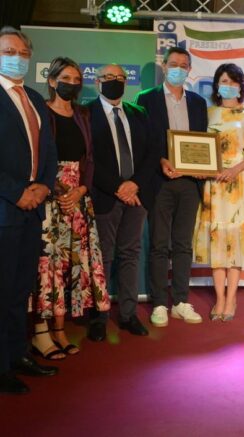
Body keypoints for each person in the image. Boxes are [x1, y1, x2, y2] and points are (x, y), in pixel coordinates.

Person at [31, 57, 111, 359]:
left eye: (77, 80)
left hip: (77, 201)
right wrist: (54, 187)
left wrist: (80, 190)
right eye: (66, 78)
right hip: (48, 199)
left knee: (69, 267)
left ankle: (60, 330)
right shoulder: (40, 113)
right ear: (52, 81)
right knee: (47, 266)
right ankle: (41, 332)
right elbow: (36, 156)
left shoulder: (82, 115)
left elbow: (88, 159)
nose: (72, 84)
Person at [0, 26, 59, 395]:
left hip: (32, 210)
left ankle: (17, 354)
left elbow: (49, 150)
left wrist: (44, 186)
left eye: (23, 53)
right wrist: (16, 192)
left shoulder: (35, 98)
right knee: (2, 290)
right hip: (5, 209)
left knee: (21, 289)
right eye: (9, 51)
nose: (17, 58)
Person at [136, 47, 208, 328]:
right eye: (174, 64)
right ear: (164, 66)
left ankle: (180, 301)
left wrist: (202, 167)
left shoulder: (198, 102)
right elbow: (143, 141)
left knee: (183, 244)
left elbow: (202, 144)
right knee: (159, 244)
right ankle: (158, 303)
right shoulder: (146, 99)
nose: (179, 68)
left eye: (184, 65)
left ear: (189, 69)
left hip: (190, 183)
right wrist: (160, 161)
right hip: (160, 182)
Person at [88, 63, 155, 338]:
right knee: (102, 256)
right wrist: (118, 187)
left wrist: (134, 184)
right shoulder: (86, 113)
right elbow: (89, 159)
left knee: (130, 254)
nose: (115, 81)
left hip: (137, 196)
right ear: (97, 82)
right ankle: (99, 317)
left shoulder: (138, 113)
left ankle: (128, 314)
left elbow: (151, 153)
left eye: (120, 77)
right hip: (105, 196)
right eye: (108, 77)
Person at [192, 63, 244, 321]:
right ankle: (219, 299)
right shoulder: (207, 113)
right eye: (224, 81)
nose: (229, 85)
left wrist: (234, 170)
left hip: (240, 182)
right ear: (216, 85)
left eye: (233, 81)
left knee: (236, 242)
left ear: (240, 85)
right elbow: (200, 149)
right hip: (214, 184)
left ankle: (231, 297)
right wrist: (208, 169)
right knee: (217, 241)